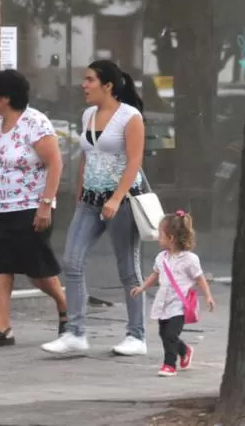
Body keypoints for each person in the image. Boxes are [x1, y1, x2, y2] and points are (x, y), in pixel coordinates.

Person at [41, 60, 149, 356]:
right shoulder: (88, 114)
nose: (83, 85)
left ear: (108, 86)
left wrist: (116, 198)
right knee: (72, 262)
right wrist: (79, 195)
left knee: (128, 269)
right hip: (90, 201)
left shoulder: (130, 117)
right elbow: (87, 159)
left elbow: (134, 162)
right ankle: (75, 333)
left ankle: (136, 336)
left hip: (121, 202)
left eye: (89, 80)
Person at [0, 69, 68, 348]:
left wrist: (45, 205)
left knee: (37, 272)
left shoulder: (35, 123)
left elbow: (55, 164)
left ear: (6, 97)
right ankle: (2, 329)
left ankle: (65, 304)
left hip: (28, 208)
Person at [130, 210, 216, 376]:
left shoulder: (190, 259)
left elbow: (199, 278)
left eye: (160, 233)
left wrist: (208, 296)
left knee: (170, 334)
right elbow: (155, 275)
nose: (157, 237)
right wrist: (142, 288)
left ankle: (170, 365)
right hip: (163, 303)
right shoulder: (161, 258)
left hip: (179, 305)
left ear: (171, 238)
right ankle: (184, 351)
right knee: (164, 333)